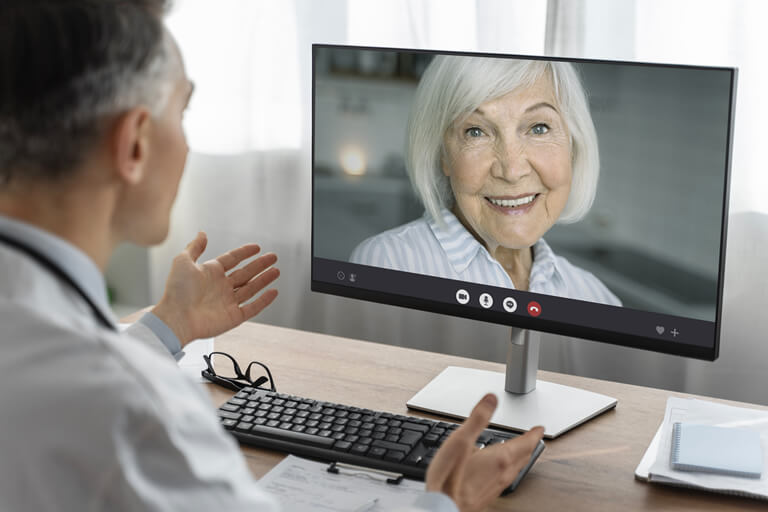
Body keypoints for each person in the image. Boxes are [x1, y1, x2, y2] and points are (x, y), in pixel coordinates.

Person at [0, 1, 544, 511]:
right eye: (182, 111)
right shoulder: (140, 419)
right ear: (136, 144)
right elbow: (95, 392)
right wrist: (442, 501)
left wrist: (167, 327)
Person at [351, 55, 621, 306]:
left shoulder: (597, 299)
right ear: (442, 154)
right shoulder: (389, 266)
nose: (512, 171)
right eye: (476, 132)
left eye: (539, 128)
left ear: (573, 147)